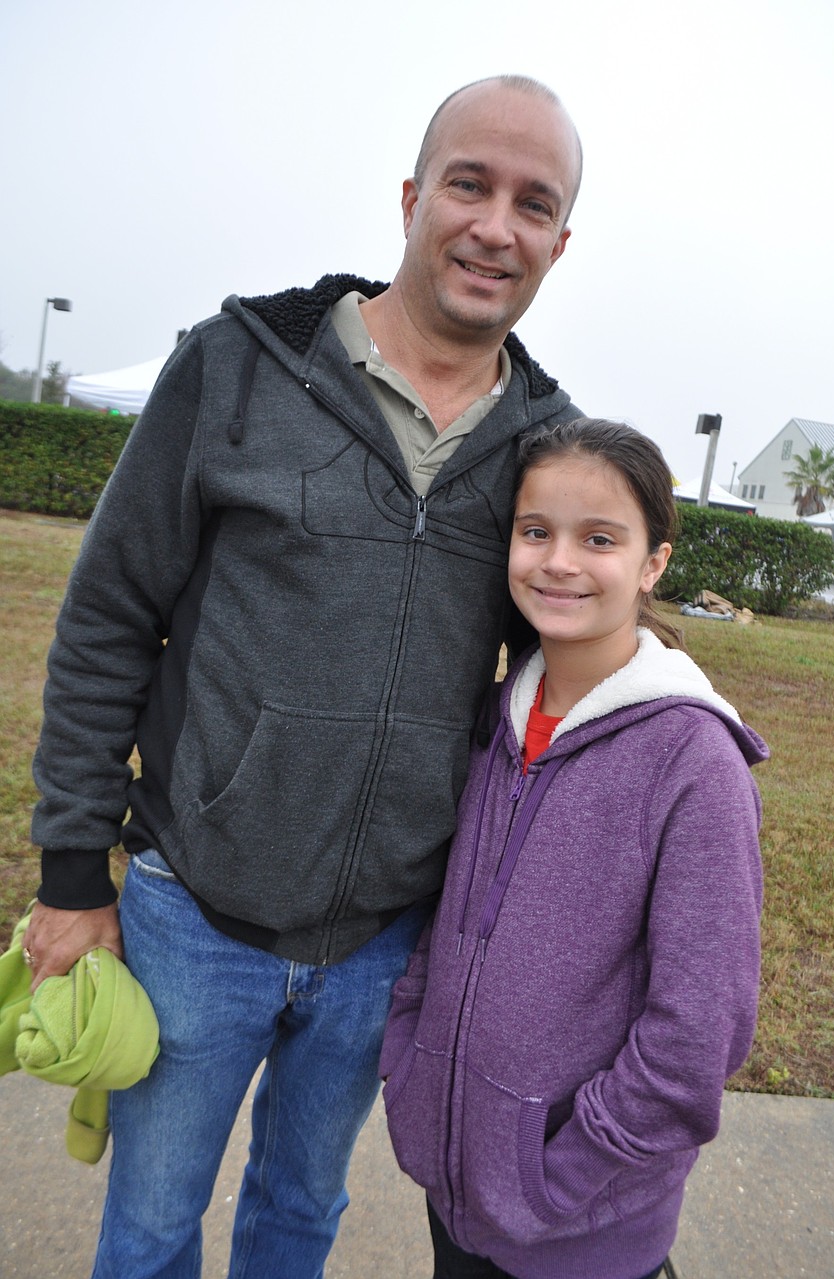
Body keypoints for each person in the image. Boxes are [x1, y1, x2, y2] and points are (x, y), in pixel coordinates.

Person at [22, 75, 585, 1279]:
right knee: (153, 1226)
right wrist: (74, 872)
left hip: (387, 936)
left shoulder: (548, 443)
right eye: (469, 184)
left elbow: (570, 672)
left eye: (533, 203)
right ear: (411, 196)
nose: (496, 225)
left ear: (559, 240)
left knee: (299, 1214)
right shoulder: (237, 367)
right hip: (193, 911)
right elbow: (108, 616)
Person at [379, 418, 768, 1279]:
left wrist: (562, 1175)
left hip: (581, 1227)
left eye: (599, 538)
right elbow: (448, 923)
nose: (559, 561)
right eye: (535, 532)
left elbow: (699, 1031)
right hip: (456, 1195)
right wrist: (411, 1059)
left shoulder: (695, 764)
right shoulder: (496, 721)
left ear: (654, 563)